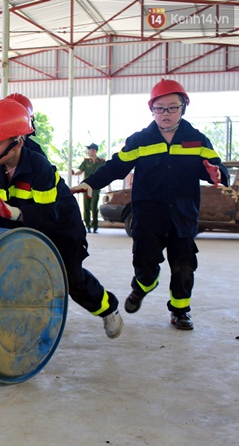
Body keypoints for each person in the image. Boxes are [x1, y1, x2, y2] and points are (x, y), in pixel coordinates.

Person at [0, 99, 123, 338]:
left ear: (18, 143)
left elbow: (49, 216)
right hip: (14, 228)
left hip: (60, 231)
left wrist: (14, 213)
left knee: (71, 280)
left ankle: (108, 308)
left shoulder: (40, 168)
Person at [71, 79, 229, 331]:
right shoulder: (140, 140)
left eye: (172, 108)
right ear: (152, 110)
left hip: (183, 216)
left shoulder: (198, 140)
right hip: (148, 217)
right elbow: (116, 165)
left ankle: (180, 311)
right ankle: (142, 287)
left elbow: (216, 168)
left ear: (183, 108)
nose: (165, 114)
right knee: (145, 267)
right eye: (160, 108)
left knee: (184, 267)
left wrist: (217, 174)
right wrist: (90, 183)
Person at [72, 143, 106, 233]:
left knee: (94, 206)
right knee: (86, 206)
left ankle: (95, 226)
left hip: (96, 187)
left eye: (91, 149)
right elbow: (80, 171)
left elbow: (105, 172)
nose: (89, 151)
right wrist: (74, 173)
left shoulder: (102, 162)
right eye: (89, 150)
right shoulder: (86, 162)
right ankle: (87, 225)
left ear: (95, 150)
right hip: (86, 186)